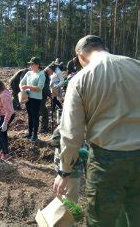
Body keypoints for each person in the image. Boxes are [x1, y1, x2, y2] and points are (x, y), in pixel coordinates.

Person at [53, 35, 140, 226]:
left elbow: (71, 133)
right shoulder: (136, 66)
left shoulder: (81, 79)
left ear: (80, 56)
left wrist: (64, 171)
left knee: (101, 220)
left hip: (107, 162)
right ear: (105, 47)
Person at [19, 57, 46, 142]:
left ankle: (35, 135)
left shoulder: (41, 74)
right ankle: (30, 133)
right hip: (28, 97)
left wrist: (27, 87)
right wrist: (22, 88)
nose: (31, 65)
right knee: (30, 115)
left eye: (32, 64)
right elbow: (21, 83)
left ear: (37, 65)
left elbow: (39, 88)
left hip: (36, 98)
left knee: (35, 116)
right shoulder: (28, 73)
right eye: (30, 64)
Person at [39, 67, 51, 133]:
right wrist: (50, 94)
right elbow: (44, 88)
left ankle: (37, 129)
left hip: (39, 97)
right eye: (51, 72)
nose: (52, 74)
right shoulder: (44, 76)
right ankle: (44, 129)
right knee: (45, 113)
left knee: (39, 113)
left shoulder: (43, 74)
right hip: (40, 98)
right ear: (48, 70)